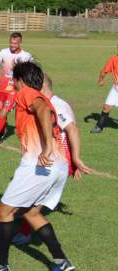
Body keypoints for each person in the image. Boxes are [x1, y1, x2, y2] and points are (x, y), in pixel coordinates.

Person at [0, 62, 75, 271]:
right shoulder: (44, 98)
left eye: (14, 79)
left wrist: (47, 147)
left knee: (3, 210)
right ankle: (62, 262)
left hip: (39, 165)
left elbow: (40, 109)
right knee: (32, 213)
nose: (12, 83)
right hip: (58, 166)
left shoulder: (27, 93)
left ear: (21, 80)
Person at [12, 74, 92, 246]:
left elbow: (72, 129)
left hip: (55, 159)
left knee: (32, 198)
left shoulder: (57, 105)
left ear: (41, 87)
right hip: (51, 157)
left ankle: (28, 235)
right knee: (32, 197)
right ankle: (25, 224)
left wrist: (75, 159)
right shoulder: (46, 103)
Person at [0, 32, 33, 147]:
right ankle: (1, 131)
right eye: (11, 43)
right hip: (2, 88)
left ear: (20, 43)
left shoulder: (26, 56)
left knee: (3, 112)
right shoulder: (3, 52)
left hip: (14, 90)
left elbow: (33, 71)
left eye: (15, 43)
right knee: (0, 114)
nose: (12, 45)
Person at [90, 54, 118, 133]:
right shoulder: (113, 59)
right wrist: (101, 79)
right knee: (106, 107)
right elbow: (104, 71)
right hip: (116, 88)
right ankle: (99, 127)